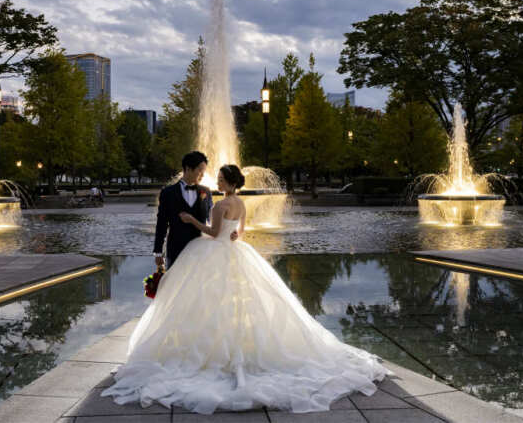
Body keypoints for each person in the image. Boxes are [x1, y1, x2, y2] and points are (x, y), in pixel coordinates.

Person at [102, 164, 387, 414]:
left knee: (208, 300)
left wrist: (191, 220)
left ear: (228, 182)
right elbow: (242, 231)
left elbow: (212, 233)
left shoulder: (219, 205)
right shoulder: (241, 203)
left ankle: (210, 345)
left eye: (221, 179)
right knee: (243, 302)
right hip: (237, 251)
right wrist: (234, 233)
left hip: (213, 252)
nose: (217, 182)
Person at [151, 151, 235, 270]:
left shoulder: (206, 192)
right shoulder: (168, 193)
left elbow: (212, 219)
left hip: (201, 250)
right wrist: (158, 252)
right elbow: (161, 224)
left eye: (204, 171)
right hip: (176, 249)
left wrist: (228, 231)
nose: (203, 175)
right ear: (188, 169)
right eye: (200, 170)